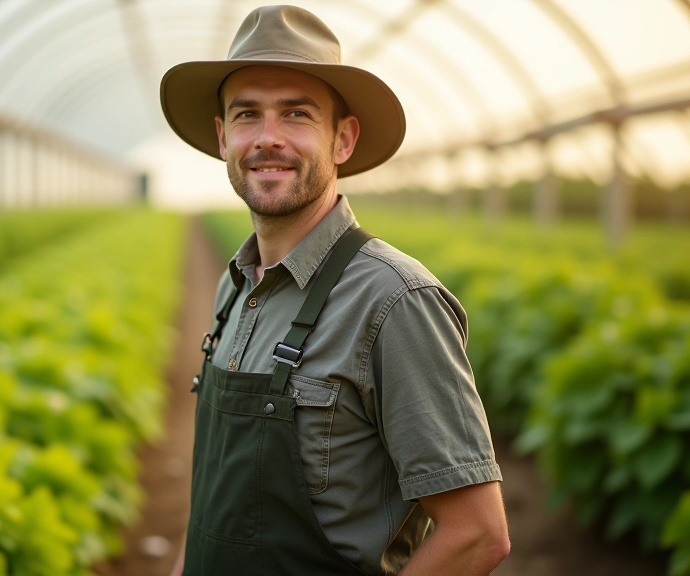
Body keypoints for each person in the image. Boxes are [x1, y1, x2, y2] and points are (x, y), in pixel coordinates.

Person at [160, 5, 509, 575]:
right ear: (223, 137)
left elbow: (477, 534)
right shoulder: (235, 287)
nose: (267, 138)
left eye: (296, 114)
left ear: (342, 139)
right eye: (247, 114)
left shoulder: (393, 301)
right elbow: (216, 496)